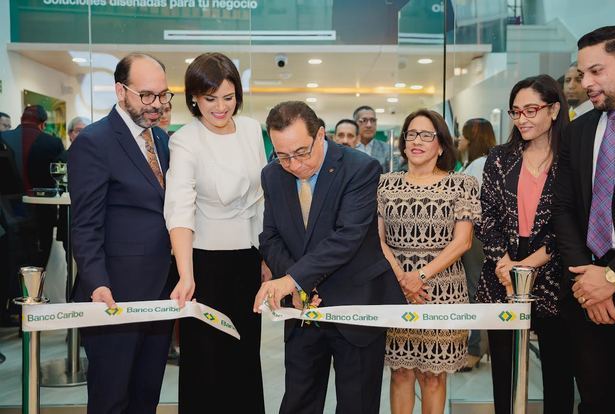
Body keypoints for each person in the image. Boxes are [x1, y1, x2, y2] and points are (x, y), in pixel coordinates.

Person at [253, 101, 405, 414]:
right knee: (299, 400)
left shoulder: (359, 168)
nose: (293, 165)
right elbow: (270, 238)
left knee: (357, 404)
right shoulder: (272, 176)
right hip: (303, 309)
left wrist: (293, 279)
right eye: (283, 156)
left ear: (321, 134)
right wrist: (299, 287)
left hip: (356, 303)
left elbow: (347, 237)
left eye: (301, 152)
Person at [68, 53, 174, 414]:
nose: (156, 105)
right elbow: (84, 224)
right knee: (111, 397)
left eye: (162, 95)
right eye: (147, 95)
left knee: (147, 395)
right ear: (120, 91)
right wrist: (97, 282)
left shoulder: (161, 142)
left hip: (160, 293)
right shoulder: (95, 142)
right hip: (113, 296)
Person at [163, 52, 267, 414]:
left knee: (245, 357)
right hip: (204, 264)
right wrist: (186, 274)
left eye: (228, 97)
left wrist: (266, 258)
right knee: (205, 363)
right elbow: (179, 208)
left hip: (248, 259)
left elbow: (260, 201)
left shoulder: (253, 129)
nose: (221, 108)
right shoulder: (185, 140)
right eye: (210, 99)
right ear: (194, 97)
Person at [477, 74, 573, 414]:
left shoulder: (570, 158)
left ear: (554, 109)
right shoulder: (500, 157)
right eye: (516, 112)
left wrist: (528, 265)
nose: (523, 119)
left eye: (531, 110)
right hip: (500, 273)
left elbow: (571, 220)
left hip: (552, 273)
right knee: (504, 371)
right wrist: (504, 262)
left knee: (558, 372)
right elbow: (485, 215)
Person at [379, 109, 479, 414]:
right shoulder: (385, 184)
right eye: (411, 134)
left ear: (441, 145)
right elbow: (377, 239)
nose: (417, 141)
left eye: (426, 135)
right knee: (400, 373)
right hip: (396, 290)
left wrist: (418, 277)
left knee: (433, 377)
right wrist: (402, 278)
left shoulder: (462, 184)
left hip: (443, 291)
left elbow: (463, 242)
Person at [552, 26, 615, 414]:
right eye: (582, 74)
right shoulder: (579, 130)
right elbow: (563, 207)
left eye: (597, 71)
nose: (586, 83)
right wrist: (586, 275)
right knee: (594, 400)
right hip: (585, 292)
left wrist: (610, 277)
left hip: (606, 281)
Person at [2, 105, 65, 267]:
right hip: (42, 214)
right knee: (38, 265)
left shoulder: (3, 139)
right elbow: (62, 176)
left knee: (10, 266)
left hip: (8, 213)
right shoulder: (53, 143)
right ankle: (35, 291)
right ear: (42, 124)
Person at [459, 118, 496, 371]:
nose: (459, 141)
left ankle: (475, 348)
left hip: (475, 236)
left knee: (475, 289)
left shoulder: (480, 165)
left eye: (462, 136)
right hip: (472, 236)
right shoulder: (474, 164)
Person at [354, 105, 391, 172]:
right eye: (364, 120)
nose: (369, 125)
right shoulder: (348, 147)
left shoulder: (387, 149)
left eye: (373, 120)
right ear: (355, 123)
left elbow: (395, 177)